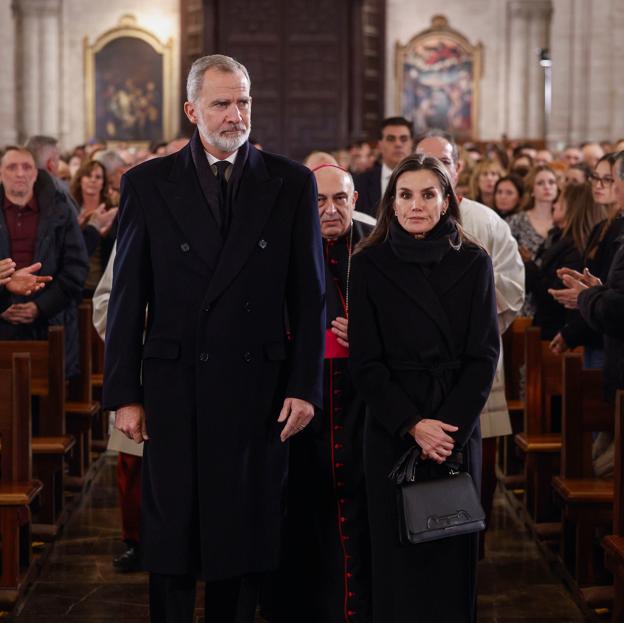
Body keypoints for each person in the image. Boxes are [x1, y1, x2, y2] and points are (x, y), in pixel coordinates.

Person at [101, 54, 325, 623]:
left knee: (243, 536)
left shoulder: (292, 182)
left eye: (243, 102)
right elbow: (128, 297)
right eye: (221, 103)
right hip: (176, 386)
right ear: (191, 110)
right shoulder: (147, 184)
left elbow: (309, 296)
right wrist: (125, 393)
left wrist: (305, 386)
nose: (234, 115)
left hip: (260, 388)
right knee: (174, 536)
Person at [349, 154, 500, 623]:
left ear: (447, 200)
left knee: (451, 556)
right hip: (394, 426)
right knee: (395, 558)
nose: (417, 205)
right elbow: (366, 361)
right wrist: (413, 424)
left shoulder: (474, 261)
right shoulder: (369, 262)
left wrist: (444, 429)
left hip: (454, 425)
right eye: (406, 194)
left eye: (428, 194)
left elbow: (483, 356)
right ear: (391, 203)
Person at [269, 163, 372, 623]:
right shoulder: (283, 247)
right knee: (302, 506)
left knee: (358, 504)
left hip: (361, 401)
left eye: (340, 199)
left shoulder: (375, 252)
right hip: (301, 395)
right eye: (319, 200)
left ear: (355, 201)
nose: (330, 210)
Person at [415, 132, 525, 553]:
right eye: (424, 160)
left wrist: (468, 312)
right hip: (416, 368)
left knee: (477, 463)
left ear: (458, 169)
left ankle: (471, 544)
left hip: (474, 362)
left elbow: (513, 290)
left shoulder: (485, 222)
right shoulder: (402, 214)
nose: (435, 167)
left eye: (443, 161)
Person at [0, 146, 88, 378]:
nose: (20, 174)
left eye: (27, 167)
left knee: (48, 408)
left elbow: (76, 269)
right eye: (12, 167)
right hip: (2, 327)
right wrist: (2, 304)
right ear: (0, 173)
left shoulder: (60, 210)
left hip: (50, 322)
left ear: (36, 174)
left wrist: (39, 307)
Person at [92, 244, 143, 572]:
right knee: (134, 460)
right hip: (143, 362)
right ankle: (137, 541)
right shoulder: (133, 230)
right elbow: (104, 300)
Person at [550, 152, 624, 367]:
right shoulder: (602, 227)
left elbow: (617, 301)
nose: (599, 185)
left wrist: (587, 294)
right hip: (598, 329)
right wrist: (590, 288)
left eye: (608, 179)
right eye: (596, 177)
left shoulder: (618, 229)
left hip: (606, 334)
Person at [527, 182, 606, 340]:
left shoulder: (576, 248)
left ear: (572, 207)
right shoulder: (558, 238)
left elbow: (555, 296)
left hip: (560, 331)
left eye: (560, 201)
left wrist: (528, 265)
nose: (554, 205)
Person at [507, 165, 558, 314]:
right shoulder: (516, 221)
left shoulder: (564, 222)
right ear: (532, 190)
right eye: (540, 183)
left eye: (551, 182)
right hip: (523, 296)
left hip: (553, 296)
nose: (547, 187)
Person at [70, 159, 118, 295]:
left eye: (98, 177)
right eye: (88, 176)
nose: (93, 180)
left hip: (105, 281)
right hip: (77, 280)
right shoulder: (72, 210)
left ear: (103, 183)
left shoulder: (112, 211)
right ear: (80, 179)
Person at [354, 117, 414, 217]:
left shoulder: (424, 181)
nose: (398, 144)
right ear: (380, 146)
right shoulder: (360, 182)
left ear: (411, 144)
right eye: (391, 139)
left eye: (403, 139)